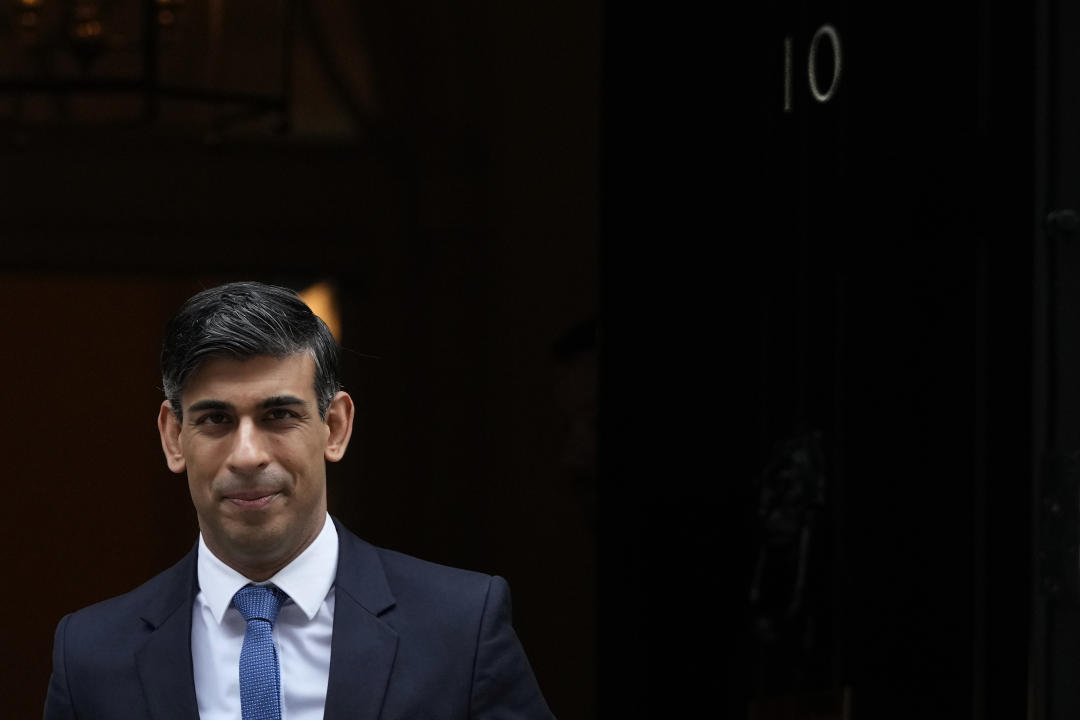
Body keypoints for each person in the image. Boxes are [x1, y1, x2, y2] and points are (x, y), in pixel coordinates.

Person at [43, 281, 555, 720]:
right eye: (216, 419)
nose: (246, 455)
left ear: (335, 427)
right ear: (174, 437)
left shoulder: (460, 627)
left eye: (279, 415)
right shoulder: (90, 655)